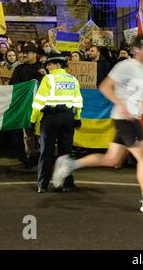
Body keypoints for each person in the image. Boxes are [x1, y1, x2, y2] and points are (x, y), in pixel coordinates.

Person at [52, 34, 143, 214]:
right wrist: (121, 104)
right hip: (126, 119)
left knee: (112, 159)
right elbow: (105, 86)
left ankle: (69, 165)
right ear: (137, 50)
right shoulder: (126, 65)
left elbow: (133, 89)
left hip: (130, 118)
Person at [30, 52, 83, 193]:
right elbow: (78, 101)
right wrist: (77, 117)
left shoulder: (48, 79)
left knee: (46, 152)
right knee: (66, 151)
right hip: (67, 117)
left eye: (49, 64)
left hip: (50, 118)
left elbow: (38, 102)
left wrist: (33, 120)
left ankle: (42, 185)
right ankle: (68, 184)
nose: (47, 66)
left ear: (57, 64)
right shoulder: (73, 79)